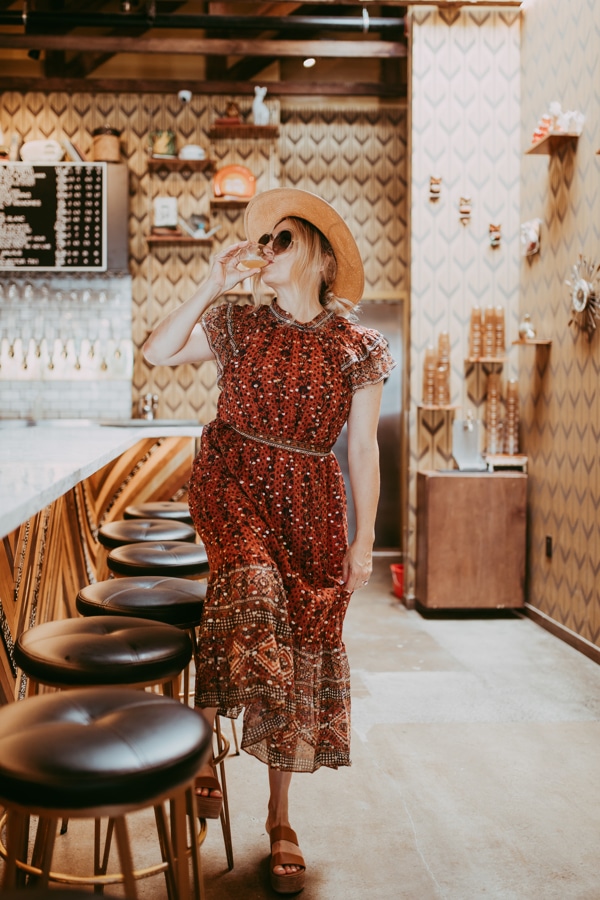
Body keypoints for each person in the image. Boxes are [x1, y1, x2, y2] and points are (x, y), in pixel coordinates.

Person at [143, 187, 395, 894]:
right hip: (234, 478)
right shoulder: (237, 322)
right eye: (264, 241)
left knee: (297, 654)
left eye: (280, 240)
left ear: (316, 255)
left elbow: (366, 453)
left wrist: (363, 540)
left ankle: (280, 818)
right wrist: (209, 283)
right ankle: (200, 748)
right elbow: (158, 353)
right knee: (251, 588)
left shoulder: (359, 348)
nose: (266, 251)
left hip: (313, 501)